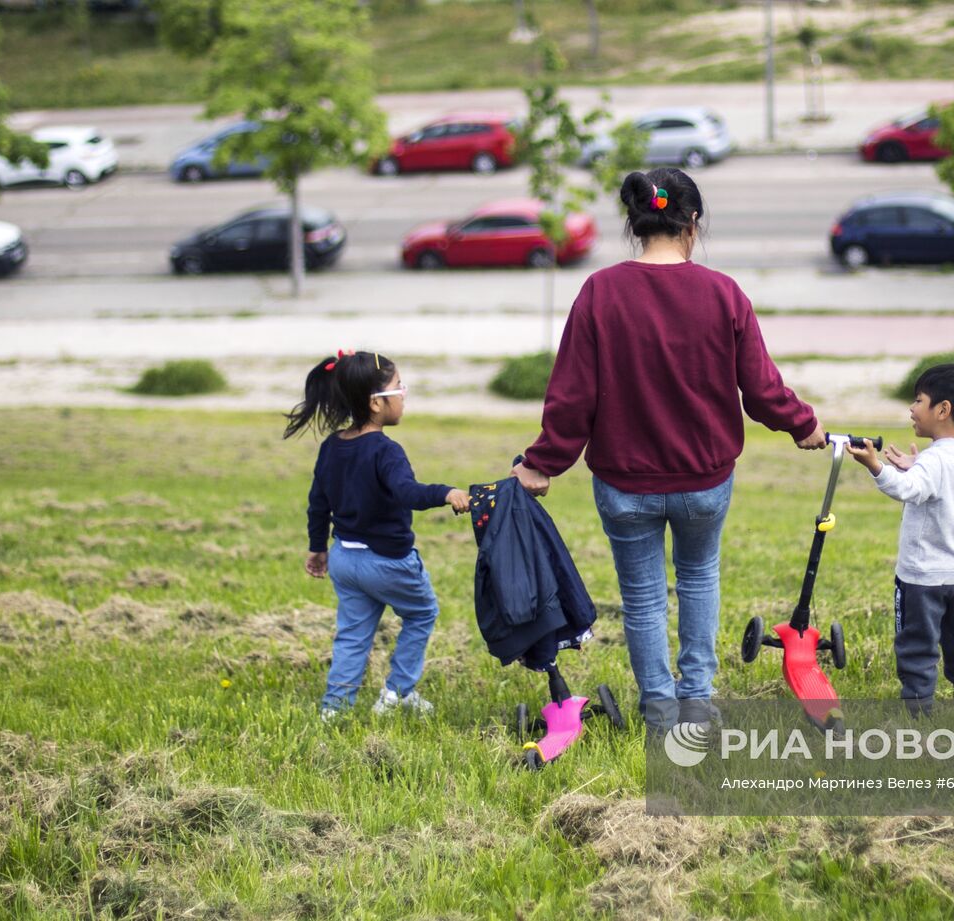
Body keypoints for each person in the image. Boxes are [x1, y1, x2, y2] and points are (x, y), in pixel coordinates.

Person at [511, 168, 825, 734]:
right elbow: (760, 388)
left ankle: (659, 707)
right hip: (704, 480)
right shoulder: (722, 293)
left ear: (634, 223)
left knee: (643, 596)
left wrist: (542, 462)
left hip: (624, 483)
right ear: (693, 223)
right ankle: (697, 702)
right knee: (699, 576)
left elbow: (572, 395)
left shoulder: (599, 292)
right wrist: (801, 425)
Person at [284, 350, 470, 720]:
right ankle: (398, 693)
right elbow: (407, 491)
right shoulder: (386, 451)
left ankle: (334, 709)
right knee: (421, 614)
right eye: (399, 387)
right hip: (387, 561)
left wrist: (317, 548)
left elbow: (317, 503)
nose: (404, 394)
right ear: (375, 403)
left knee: (353, 634)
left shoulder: (332, 447)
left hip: (345, 559)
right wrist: (446, 493)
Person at [846, 363, 954, 714]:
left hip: (923, 576)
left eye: (919, 400)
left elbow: (909, 489)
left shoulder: (934, 461)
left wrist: (875, 466)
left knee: (918, 643)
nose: (911, 409)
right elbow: (939, 483)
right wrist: (918, 463)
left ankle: (919, 707)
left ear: (943, 410)